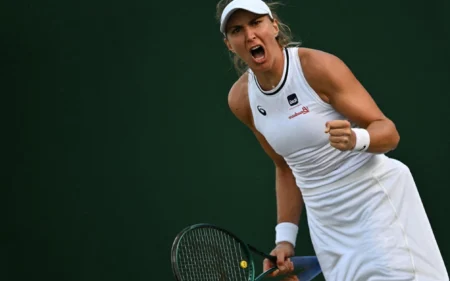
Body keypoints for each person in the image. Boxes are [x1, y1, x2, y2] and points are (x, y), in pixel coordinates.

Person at [215, 0, 449, 280]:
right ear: (229, 44)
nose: (250, 35)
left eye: (256, 23)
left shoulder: (316, 67)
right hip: (327, 226)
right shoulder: (241, 100)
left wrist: (356, 138)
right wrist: (285, 239)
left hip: (375, 202)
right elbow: (285, 166)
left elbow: (388, 133)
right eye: (237, 30)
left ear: (274, 26)